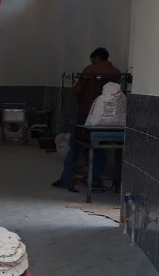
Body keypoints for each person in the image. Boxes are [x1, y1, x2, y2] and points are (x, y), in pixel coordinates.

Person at [52, 47, 121, 192]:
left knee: (75, 147)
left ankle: (66, 179)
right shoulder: (116, 73)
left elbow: (77, 90)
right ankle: (95, 180)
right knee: (100, 149)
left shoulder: (90, 70)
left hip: (87, 115)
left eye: (92, 59)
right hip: (110, 121)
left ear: (95, 58)